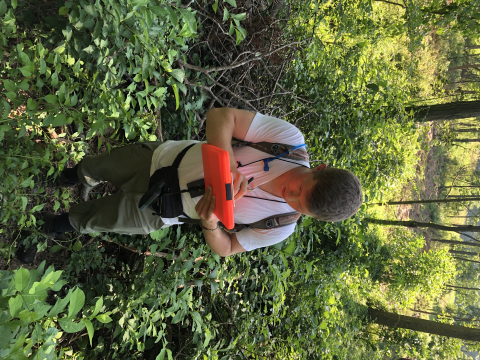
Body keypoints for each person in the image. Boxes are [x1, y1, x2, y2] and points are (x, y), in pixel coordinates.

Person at [39, 108, 363, 257]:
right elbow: (221, 117)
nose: (291, 195)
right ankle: (68, 177)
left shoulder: (281, 226)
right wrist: (229, 164)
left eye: (300, 204)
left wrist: (210, 223)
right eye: (302, 187)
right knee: (100, 165)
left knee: (101, 220)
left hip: (163, 210)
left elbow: (228, 248)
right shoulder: (288, 142)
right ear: (317, 167)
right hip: (163, 159)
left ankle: (54, 225)